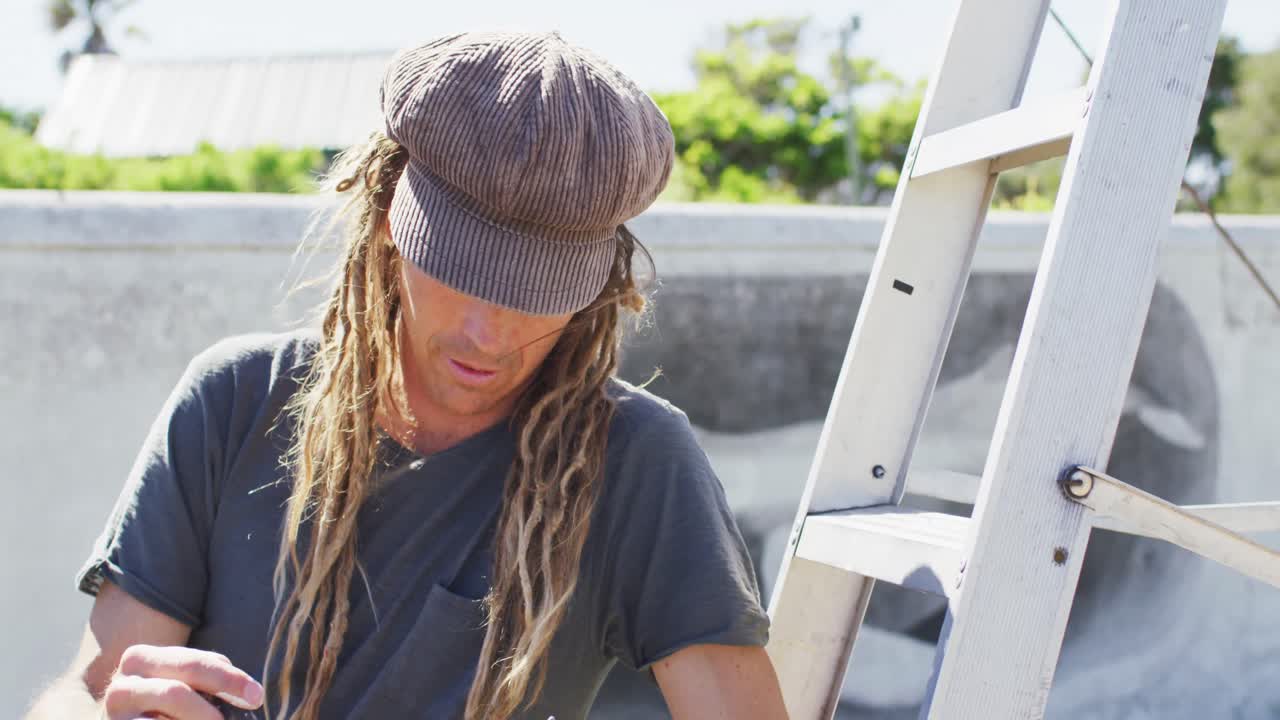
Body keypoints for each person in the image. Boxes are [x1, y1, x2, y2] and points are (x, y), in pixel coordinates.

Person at [24, 30, 788, 720]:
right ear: (389, 211)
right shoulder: (231, 401)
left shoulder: (635, 464)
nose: (491, 336)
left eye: (535, 296)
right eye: (462, 273)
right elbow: (86, 690)